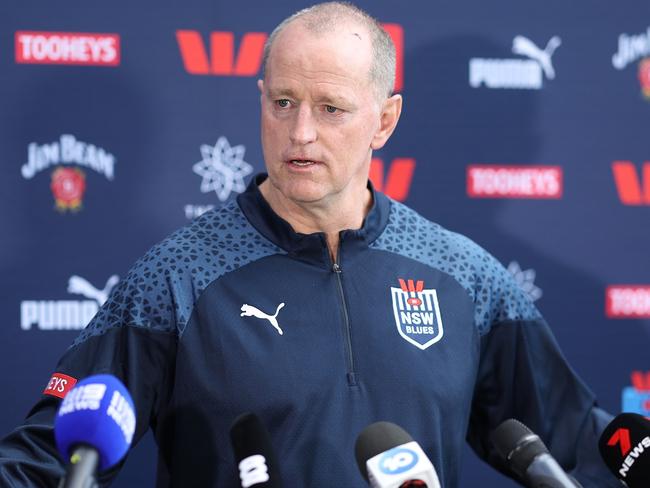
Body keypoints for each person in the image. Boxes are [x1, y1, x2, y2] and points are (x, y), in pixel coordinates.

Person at [0, 2, 622, 487]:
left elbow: (573, 442)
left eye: (330, 109)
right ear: (261, 100)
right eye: (284, 102)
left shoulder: (464, 275)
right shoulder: (176, 276)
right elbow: (53, 455)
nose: (300, 132)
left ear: (384, 120)